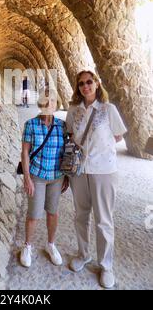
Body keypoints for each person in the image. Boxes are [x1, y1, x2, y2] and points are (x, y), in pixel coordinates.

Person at [66, 70, 127, 289]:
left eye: (89, 82)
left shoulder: (108, 110)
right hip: (80, 171)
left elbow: (118, 136)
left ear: (97, 84)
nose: (85, 86)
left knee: (104, 220)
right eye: (81, 83)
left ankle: (106, 265)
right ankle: (83, 254)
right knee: (81, 215)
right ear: (78, 87)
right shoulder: (74, 111)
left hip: (104, 171)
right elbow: (71, 136)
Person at [20, 90, 69, 268]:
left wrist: (67, 176)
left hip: (56, 176)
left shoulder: (62, 126)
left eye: (53, 101)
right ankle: (27, 246)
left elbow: (67, 152)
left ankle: (50, 244)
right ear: (41, 103)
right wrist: (27, 178)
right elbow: (25, 152)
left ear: (56, 104)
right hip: (37, 176)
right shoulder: (31, 124)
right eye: (46, 100)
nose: (49, 104)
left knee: (53, 212)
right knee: (34, 214)